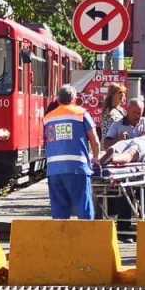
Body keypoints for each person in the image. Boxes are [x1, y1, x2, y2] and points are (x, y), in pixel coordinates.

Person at [44, 85, 101, 220]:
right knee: (84, 209)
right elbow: (95, 140)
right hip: (77, 168)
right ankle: (86, 238)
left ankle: (62, 240)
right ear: (74, 99)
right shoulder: (81, 114)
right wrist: (96, 158)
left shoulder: (48, 118)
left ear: (58, 100)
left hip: (54, 171)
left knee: (59, 214)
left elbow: (47, 142)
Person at [103, 97, 145, 240]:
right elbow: (106, 143)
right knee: (125, 194)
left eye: (140, 113)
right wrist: (118, 140)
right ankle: (123, 228)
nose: (137, 116)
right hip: (125, 168)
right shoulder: (118, 124)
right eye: (134, 113)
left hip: (143, 166)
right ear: (128, 111)